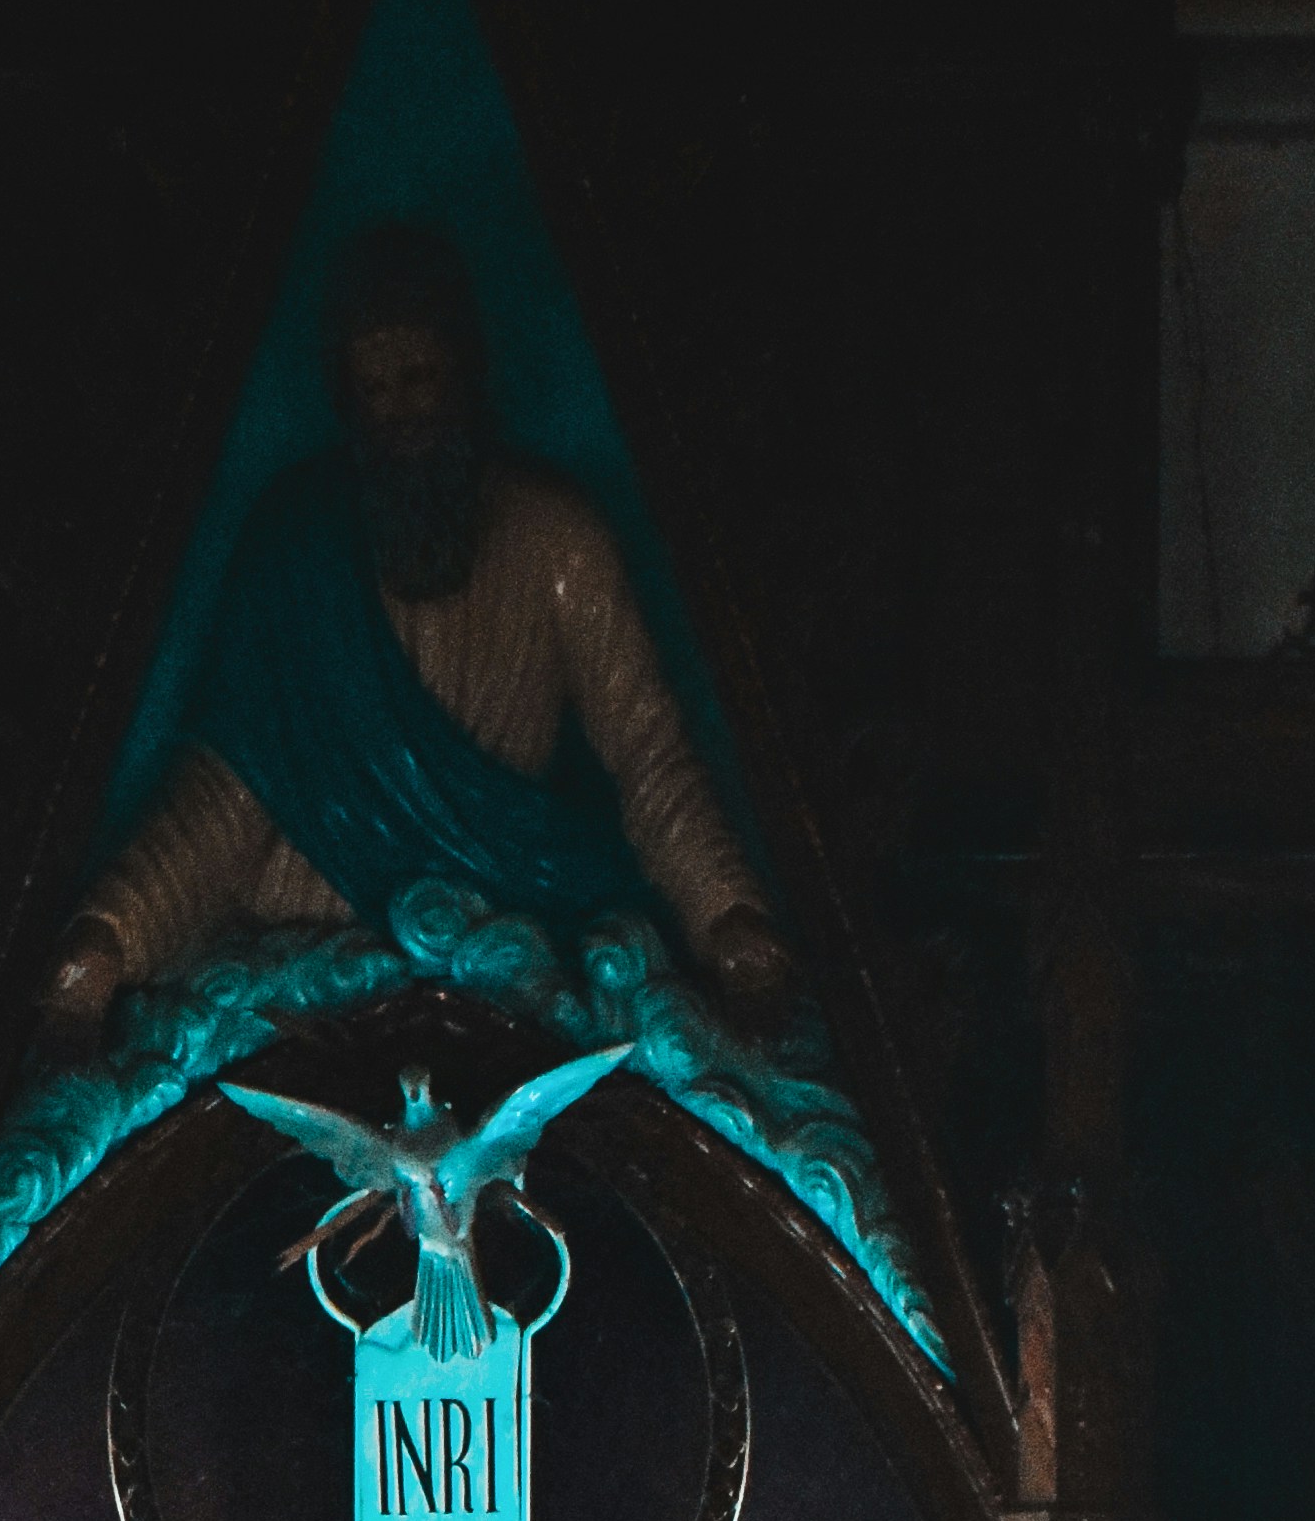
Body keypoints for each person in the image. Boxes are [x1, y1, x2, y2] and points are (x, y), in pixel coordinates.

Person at [43, 222, 792, 1038]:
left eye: (420, 377)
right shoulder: (295, 548)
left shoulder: (560, 543)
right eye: (376, 389)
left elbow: (649, 758)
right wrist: (113, 932)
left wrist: (727, 915)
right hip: (308, 968)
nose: (401, 411)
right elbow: (226, 789)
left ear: (466, 374)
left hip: (509, 957)